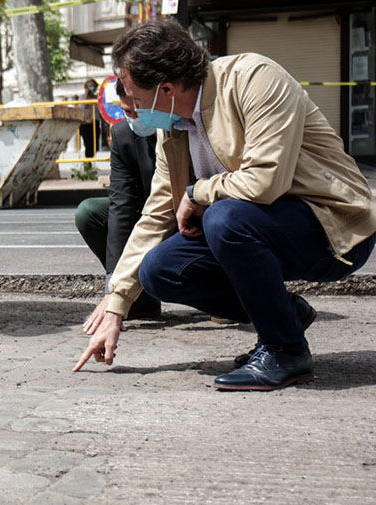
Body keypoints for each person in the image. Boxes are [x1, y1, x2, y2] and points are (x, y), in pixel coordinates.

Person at [73, 20, 376, 391]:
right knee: (160, 269)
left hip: (334, 228)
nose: (133, 110)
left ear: (166, 89)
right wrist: (116, 303)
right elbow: (155, 213)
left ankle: (286, 351)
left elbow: (264, 181)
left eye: (135, 100)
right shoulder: (173, 126)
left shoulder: (255, 79)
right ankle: (286, 314)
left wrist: (196, 194)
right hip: (259, 224)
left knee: (224, 216)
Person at [74, 79, 161, 319]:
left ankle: (225, 292)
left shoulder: (182, 126)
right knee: (89, 212)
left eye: (137, 110)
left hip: (186, 216)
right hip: (147, 217)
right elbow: (121, 205)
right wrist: (114, 285)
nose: (133, 118)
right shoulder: (123, 135)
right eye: (126, 112)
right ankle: (140, 298)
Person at [78, 79, 102, 159]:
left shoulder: (96, 97)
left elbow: (99, 111)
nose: (92, 88)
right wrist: (86, 94)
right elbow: (81, 107)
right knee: (88, 144)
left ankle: (90, 158)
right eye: (90, 86)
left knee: (95, 145)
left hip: (95, 122)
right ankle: (88, 164)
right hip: (85, 123)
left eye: (94, 86)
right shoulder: (82, 97)